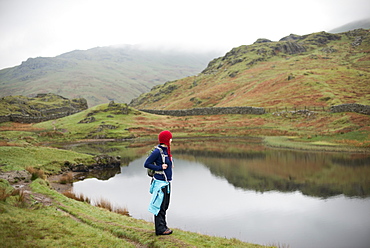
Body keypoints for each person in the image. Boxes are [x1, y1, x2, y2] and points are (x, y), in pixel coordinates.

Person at [144, 130, 174, 235]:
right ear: (166, 140)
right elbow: (146, 163)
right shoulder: (157, 151)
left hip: (166, 182)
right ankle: (160, 229)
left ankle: (163, 226)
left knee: (165, 205)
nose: (171, 140)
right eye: (170, 138)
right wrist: (159, 167)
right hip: (160, 183)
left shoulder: (166, 150)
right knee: (159, 206)